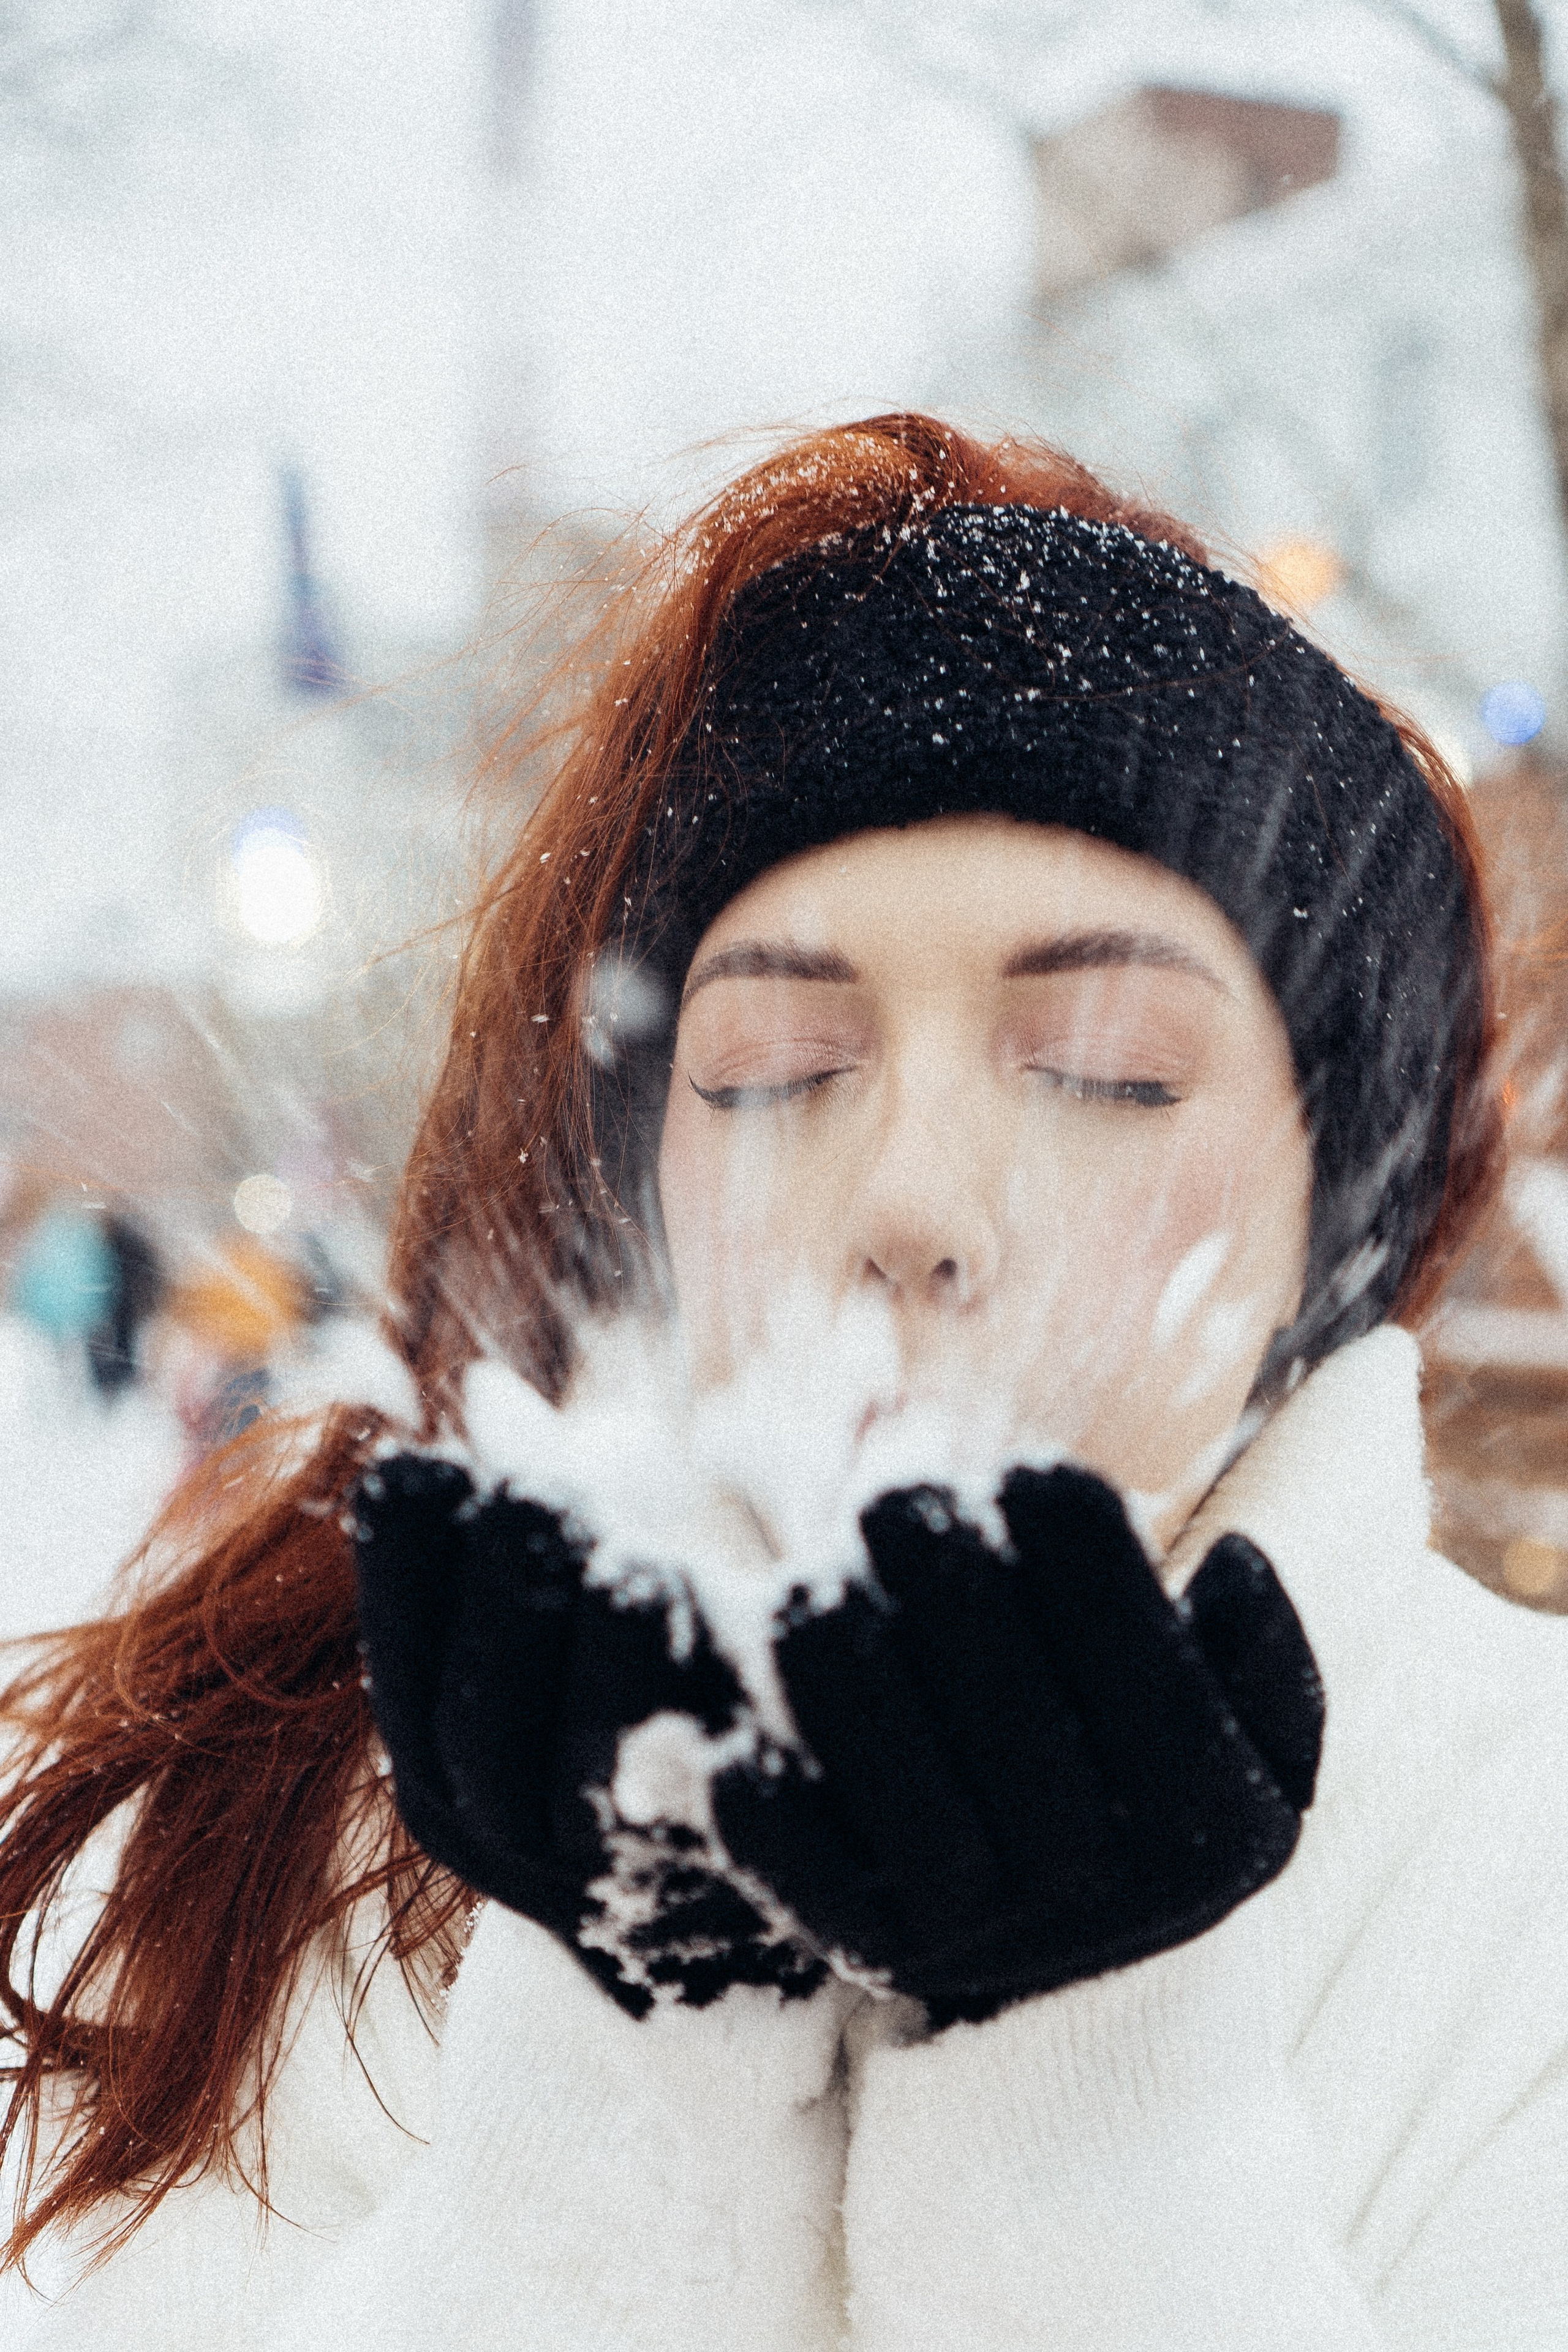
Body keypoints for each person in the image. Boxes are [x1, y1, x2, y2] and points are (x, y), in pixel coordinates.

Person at [2, 413, 1563, 2351]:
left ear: (1343, 1189)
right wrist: (616, 2102)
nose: (910, 1199)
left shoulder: (1528, 1852)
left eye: (1104, 1068)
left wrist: (1090, 2136)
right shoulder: (324, 1830)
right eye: (778, 1073)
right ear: (642, 1167)